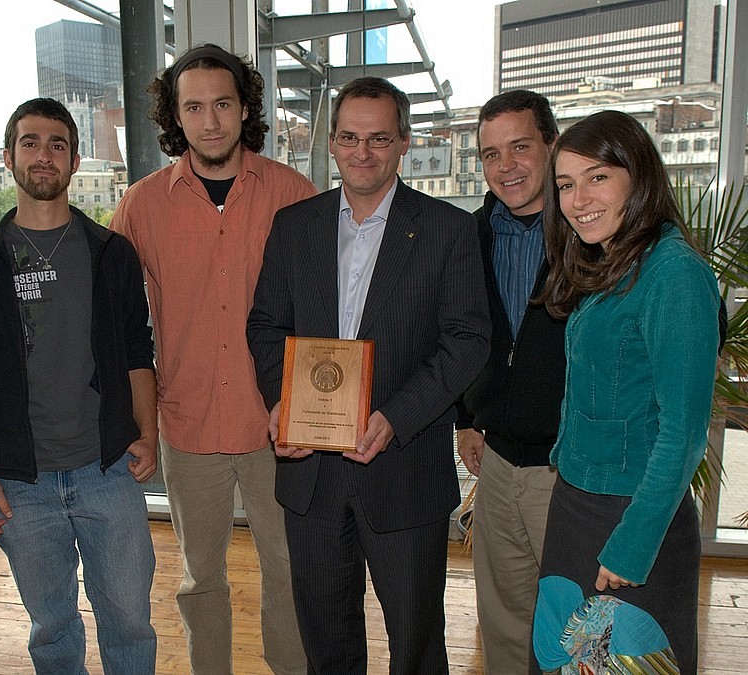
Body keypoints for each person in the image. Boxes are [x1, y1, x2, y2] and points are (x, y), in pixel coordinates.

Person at [247, 76, 491, 674]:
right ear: (331, 142)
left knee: (416, 646)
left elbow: (467, 341)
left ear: (403, 142)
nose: (363, 152)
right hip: (311, 476)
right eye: (350, 138)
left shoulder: (448, 229)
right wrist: (283, 401)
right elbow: (265, 325)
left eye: (379, 138)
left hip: (404, 472)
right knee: (327, 647)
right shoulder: (294, 225)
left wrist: (396, 417)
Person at [111, 43, 315, 675]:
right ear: (176, 116)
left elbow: (326, 311)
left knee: (289, 568)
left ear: (244, 107)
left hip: (277, 424)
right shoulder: (141, 205)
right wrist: (133, 421)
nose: (210, 121)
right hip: (188, 421)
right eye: (194, 107)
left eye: (223, 104)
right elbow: (113, 321)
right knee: (199, 578)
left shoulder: (294, 193)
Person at [0, 98, 157, 674]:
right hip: (20, 480)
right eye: (30, 143)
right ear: (8, 156)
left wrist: (148, 433)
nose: (44, 156)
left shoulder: (112, 254)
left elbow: (138, 352)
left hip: (107, 470)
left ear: (75, 160)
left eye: (57, 145)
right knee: (52, 628)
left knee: (130, 619)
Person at [532, 110, 720, 673]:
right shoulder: (616, 261)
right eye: (566, 184)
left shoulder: (674, 273)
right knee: (568, 661)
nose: (578, 199)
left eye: (598, 177)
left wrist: (633, 544)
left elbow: (683, 433)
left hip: (630, 518)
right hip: (578, 506)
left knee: (621, 663)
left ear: (638, 176)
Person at [455, 90, 562, 674]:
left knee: (577, 626)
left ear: (552, 144)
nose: (506, 166)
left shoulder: (593, 231)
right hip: (495, 463)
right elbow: (454, 334)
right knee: (503, 623)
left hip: (568, 469)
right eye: (491, 154)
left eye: (520, 147)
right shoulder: (469, 236)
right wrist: (465, 417)